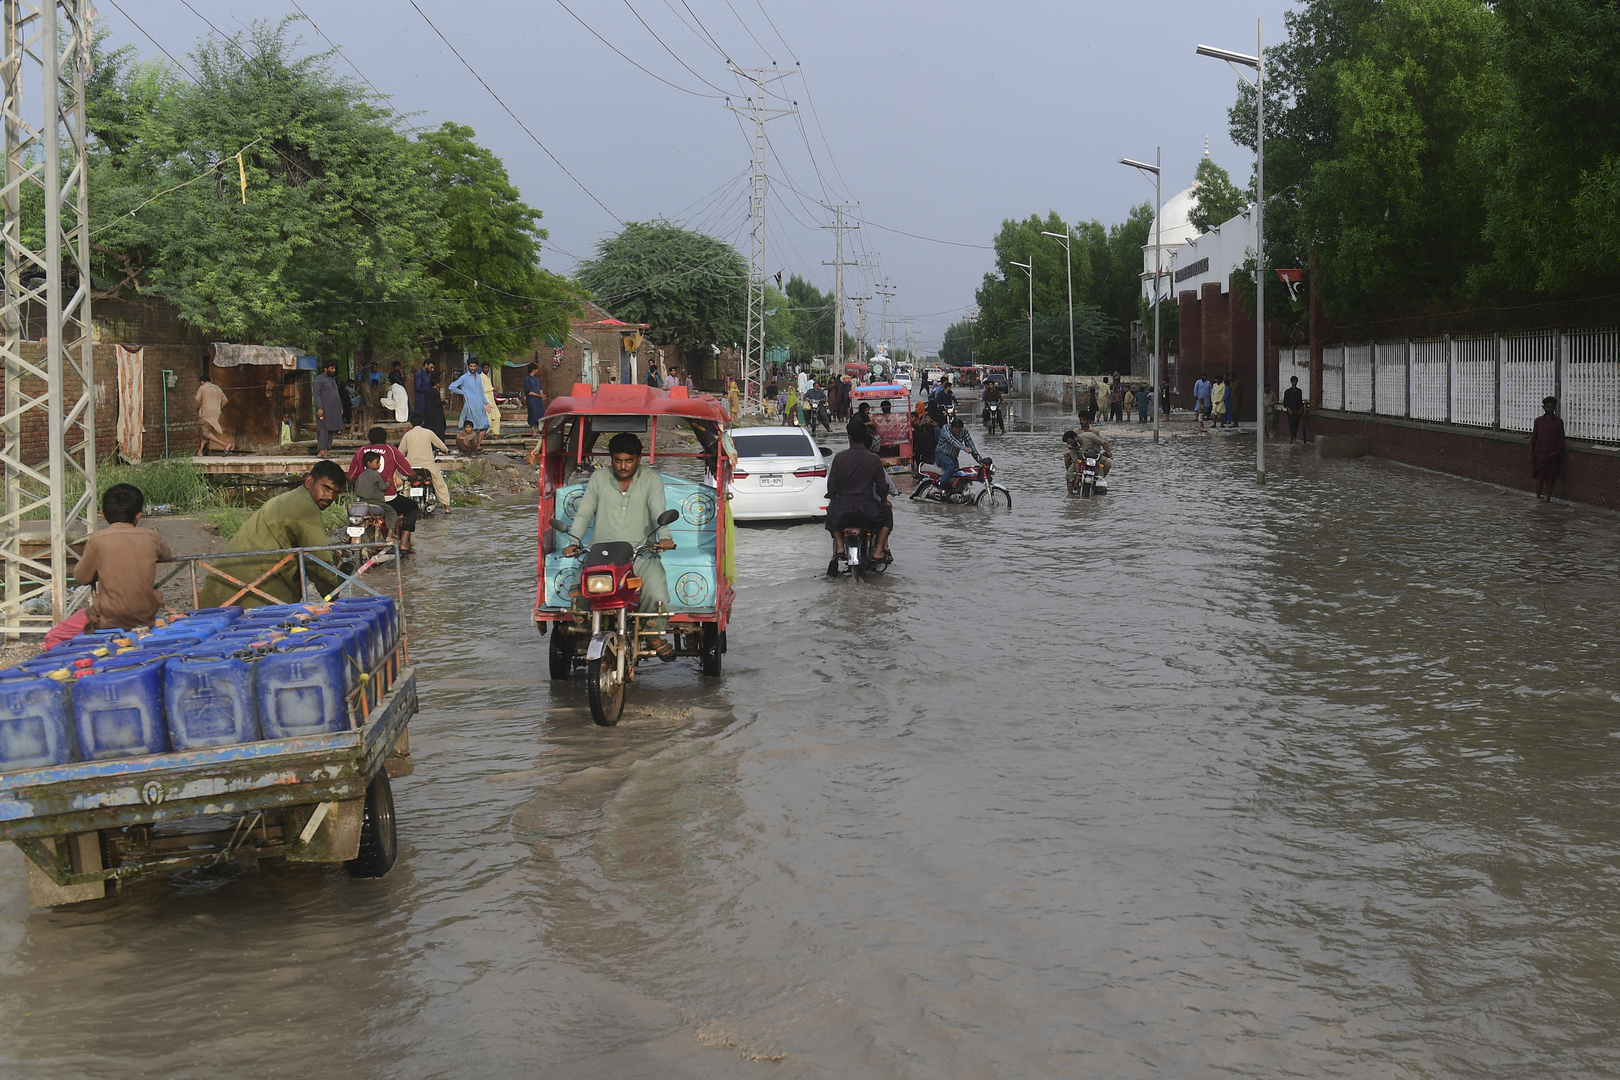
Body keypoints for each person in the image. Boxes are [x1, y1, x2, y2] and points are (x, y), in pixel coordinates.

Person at [559, 432, 678, 660]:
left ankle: (653, 635)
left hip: (640, 554)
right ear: (611, 459)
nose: (623, 466)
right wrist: (573, 542)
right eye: (617, 460)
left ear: (639, 458)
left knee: (657, 593)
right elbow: (584, 514)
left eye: (629, 460)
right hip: (601, 555)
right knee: (578, 591)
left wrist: (664, 537)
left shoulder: (651, 479)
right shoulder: (599, 479)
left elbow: (657, 511)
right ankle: (587, 633)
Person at [198, 461, 347, 608]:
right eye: (326, 488)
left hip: (223, 582)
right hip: (254, 587)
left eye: (335, 492)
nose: (329, 497)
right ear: (309, 481)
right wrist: (333, 595)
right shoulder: (306, 507)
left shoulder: (286, 499)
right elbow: (319, 561)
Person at [70, 483, 175, 634]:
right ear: (138, 515)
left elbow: (82, 577)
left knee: (56, 634)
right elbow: (167, 555)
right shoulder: (150, 536)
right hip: (145, 615)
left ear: (103, 514)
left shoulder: (97, 540)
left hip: (108, 617)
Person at [824, 422, 894, 575]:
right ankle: (878, 550)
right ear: (865, 438)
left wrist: (834, 502)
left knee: (831, 513)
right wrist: (884, 501)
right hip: (867, 508)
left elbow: (831, 486)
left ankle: (840, 546)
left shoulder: (840, 458)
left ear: (849, 438)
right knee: (887, 514)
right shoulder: (874, 459)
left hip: (843, 508)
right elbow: (882, 486)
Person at [354, 449, 419, 553]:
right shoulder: (376, 474)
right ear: (369, 464)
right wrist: (388, 482)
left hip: (362, 501)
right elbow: (382, 487)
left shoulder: (361, 475)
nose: (379, 465)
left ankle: (346, 538)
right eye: (377, 463)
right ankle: (390, 536)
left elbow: (355, 487)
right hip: (378, 502)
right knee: (392, 513)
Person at [399, 413, 451, 516]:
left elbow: (400, 452)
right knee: (440, 484)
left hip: (411, 468)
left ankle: (401, 507)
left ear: (411, 423)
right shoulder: (428, 433)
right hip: (428, 467)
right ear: (422, 422)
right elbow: (440, 445)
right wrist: (446, 450)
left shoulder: (407, 435)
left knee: (404, 484)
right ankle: (447, 507)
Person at [1531, 395, 1566, 502]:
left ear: (1555, 407)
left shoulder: (1559, 422)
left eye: (1551, 407)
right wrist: (1530, 454)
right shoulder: (1538, 421)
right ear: (1543, 407)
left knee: (1551, 479)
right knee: (1540, 478)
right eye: (1547, 407)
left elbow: (1561, 439)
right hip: (1540, 454)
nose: (1549, 409)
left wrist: (1558, 452)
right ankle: (1538, 497)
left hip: (1553, 455)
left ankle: (1548, 499)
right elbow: (1534, 438)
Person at [1062, 420, 1112, 489]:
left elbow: (1103, 443)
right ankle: (1070, 496)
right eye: (1069, 444)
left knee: (1106, 466)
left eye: (1071, 442)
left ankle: (1098, 485)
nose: (1071, 445)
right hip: (1081, 460)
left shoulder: (1090, 436)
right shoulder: (1072, 448)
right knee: (1069, 474)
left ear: (1075, 437)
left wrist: (1108, 452)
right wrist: (1077, 478)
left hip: (1096, 458)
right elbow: (1076, 462)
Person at [934, 415, 980, 489]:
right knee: (951, 467)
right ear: (952, 427)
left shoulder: (964, 431)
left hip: (953, 457)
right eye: (955, 432)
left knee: (960, 475)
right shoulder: (945, 428)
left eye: (959, 432)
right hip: (941, 455)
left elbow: (970, 445)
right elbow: (952, 440)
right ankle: (939, 489)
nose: (957, 434)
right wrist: (964, 448)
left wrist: (980, 460)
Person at [312, 360, 344, 457]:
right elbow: (316, 395)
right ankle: (321, 450)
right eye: (331, 368)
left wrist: (340, 407)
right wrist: (320, 408)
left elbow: (337, 394)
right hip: (324, 408)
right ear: (325, 369)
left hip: (334, 409)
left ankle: (327, 450)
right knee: (323, 429)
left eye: (334, 368)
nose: (333, 370)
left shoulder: (332, 380)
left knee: (331, 429)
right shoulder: (319, 379)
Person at [195, 371, 232, 455]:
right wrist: (218, 408)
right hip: (215, 413)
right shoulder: (217, 388)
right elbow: (225, 400)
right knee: (204, 432)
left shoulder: (202, 388)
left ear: (202, 382)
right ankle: (200, 452)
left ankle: (225, 445)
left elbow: (197, 400)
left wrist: (198, 408)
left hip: (205, 413)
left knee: (206, 433)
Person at [450, 361, 489, 433]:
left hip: (479, 405)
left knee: (483, 426)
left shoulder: (479, 377)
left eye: (474, 366)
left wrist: (486, 403)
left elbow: (481, 391)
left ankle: (478, 443)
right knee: (469, 427)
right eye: (471, 366)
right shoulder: (464, 377)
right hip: (470, 405)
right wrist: (464, 393)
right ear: (468, 366)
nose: (473, 368)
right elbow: (452, 387)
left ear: (477, 367)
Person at [423, 371, 447, 439]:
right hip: (437, 416)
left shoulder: (428, 392)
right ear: (437, 384)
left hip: (430, 415)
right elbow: (437, 403)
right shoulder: (435, 392)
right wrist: (444, 402)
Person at [524, 363, 546, 435]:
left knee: (541, 413)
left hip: (538, 401)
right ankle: (533, 432)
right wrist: (539, 395)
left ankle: (541, 430)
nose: (537, 370)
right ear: (533, 370)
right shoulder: (527, 379)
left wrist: (542, 395)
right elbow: (529, 392)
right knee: (532, 414)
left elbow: (540, 388)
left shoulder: (536, 378)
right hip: (531, 400)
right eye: (536, 369)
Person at [1283, 376, 1305, 443]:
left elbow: (1300, 401)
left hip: (1297, 410)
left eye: (1296, 382)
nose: (1294, 383)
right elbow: (1284, 402)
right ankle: (1293, 438)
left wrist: (1301, 409)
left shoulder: (1299, 391)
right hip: (1291, 411)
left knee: (1296, 424)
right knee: (1291, 424)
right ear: (1291, 382)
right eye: (1293, 382)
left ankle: (1294, 437)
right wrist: (1289, 409)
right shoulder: (1287, 392)